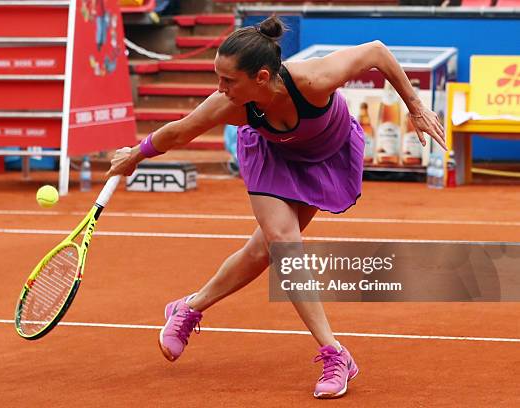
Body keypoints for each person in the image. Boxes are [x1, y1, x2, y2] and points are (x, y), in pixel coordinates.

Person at [107, 15, 446, 399]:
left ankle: (190, 305)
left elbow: (376, 52)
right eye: (218, 78)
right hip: (271, 156)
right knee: (285, 244)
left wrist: (416, 106)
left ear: (262, 77)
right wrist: (135, 154)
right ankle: (335, 353)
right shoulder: (230, 105)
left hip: (324, 157)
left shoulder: (314, 80)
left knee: (261, 251)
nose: (220, 89)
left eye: (229, 80)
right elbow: (180, 130)